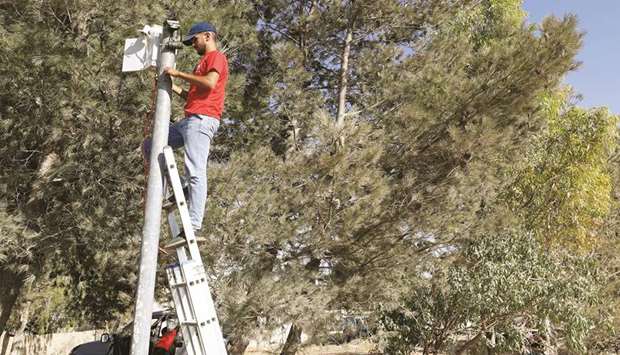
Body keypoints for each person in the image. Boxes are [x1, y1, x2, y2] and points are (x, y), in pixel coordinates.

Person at [144, 21, 229, 234]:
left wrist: (178, 73)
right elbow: (192, 94)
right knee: (150, 146)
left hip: (202, 119)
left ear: (208, 36)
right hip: (189, 119)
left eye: (195, 40)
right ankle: (182, 187)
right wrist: (170, 84)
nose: (193, 44)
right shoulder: (202, 62)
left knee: (195, 169)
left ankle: (193, 225)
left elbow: (209, 83)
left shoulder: (216, 58)